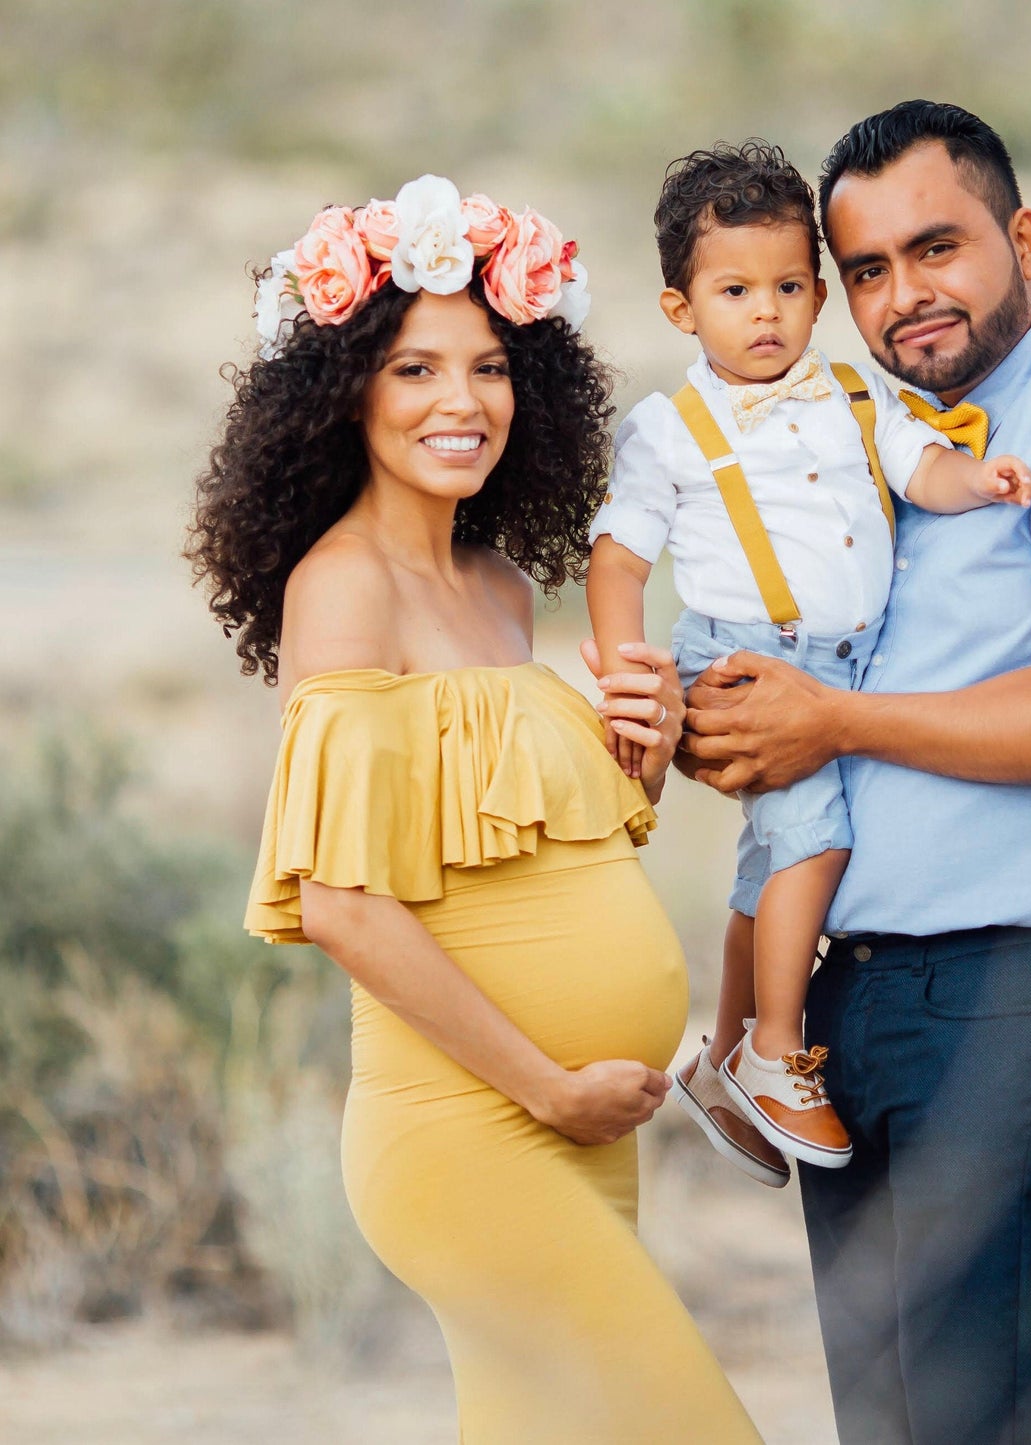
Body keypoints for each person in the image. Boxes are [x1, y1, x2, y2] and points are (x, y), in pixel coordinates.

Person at [681, 102, 1031, 1445]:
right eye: (864, 269)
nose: (901, 296)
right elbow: (805, 736)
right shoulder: (861, 440)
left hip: (1021, 987)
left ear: (1022, 236)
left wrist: (831, 723)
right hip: (849, 1005)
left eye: (935, 249)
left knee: (967, 1426)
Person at [186, 175, 760, 1444]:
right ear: (342, 392)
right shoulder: (340, 591)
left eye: (491, 367)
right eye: (414, 370)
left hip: (584, 1125)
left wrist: (642, 752)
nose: (462, 401)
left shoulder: (498, 588)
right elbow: (342, 901)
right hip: (473, 1130)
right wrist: (547, 1087)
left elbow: (532, 852)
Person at [586, 141, 1031, 1184]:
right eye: (734, 290)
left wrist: (979, 478)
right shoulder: (669, 431)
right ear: (678, 309)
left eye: (788, 286)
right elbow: (616, 558)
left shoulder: (848, 394)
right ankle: (779, 1049)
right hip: (743, 660)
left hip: (842, 662)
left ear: (818, 292)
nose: (766, 312)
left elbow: (917, 468)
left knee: (769, 862)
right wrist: (630, 678)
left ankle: (724, 1049)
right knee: (813, 847)